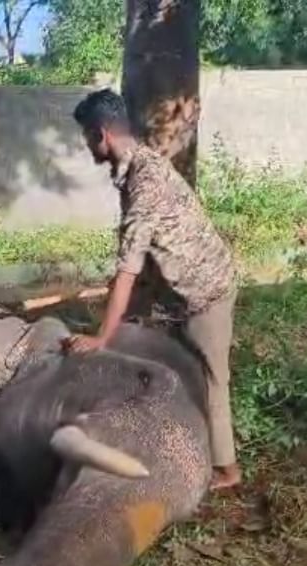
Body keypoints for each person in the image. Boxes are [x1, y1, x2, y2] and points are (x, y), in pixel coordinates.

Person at [64, 88, 242, 491]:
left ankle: (227, 469)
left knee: (212, 379)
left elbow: (128, 268)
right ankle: (185, 443)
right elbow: (137, 259)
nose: (87, 146)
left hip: (207, 290)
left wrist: (101, 337)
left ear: (101, 134)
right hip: (180, 291)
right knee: (177, 367)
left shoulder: (145, 181)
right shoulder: (133, 171)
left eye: (86, 137)